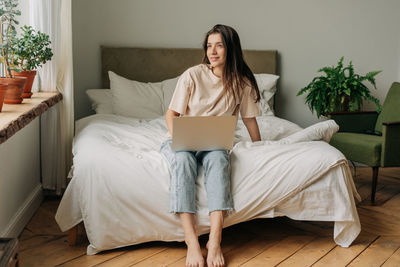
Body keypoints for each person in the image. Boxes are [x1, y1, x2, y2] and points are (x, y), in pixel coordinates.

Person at [160, 24, 261, 267]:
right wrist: (179, 139)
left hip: (214, 143)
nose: (212, 51)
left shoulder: (242, 83)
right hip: (183, 139)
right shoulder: (192, 75)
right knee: (182, 160)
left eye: (219, 45)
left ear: (231, 49)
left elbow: (249, 119)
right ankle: (192, 244)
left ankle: (214, 241)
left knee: (219, 159)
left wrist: (260, 148)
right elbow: (171, 114)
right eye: (209, 46)